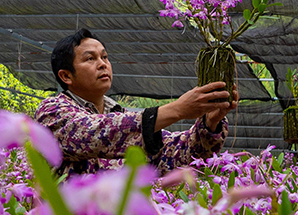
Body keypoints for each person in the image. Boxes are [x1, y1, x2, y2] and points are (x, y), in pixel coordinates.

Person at [35, 29, 238, 175]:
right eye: (90, 59)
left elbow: (175, 154)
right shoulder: (52, 112)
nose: (102, 64)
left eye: (105, 57)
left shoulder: (121, 115)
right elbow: (93, 134)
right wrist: (178, 109)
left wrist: (210, 123)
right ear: (66, 76)